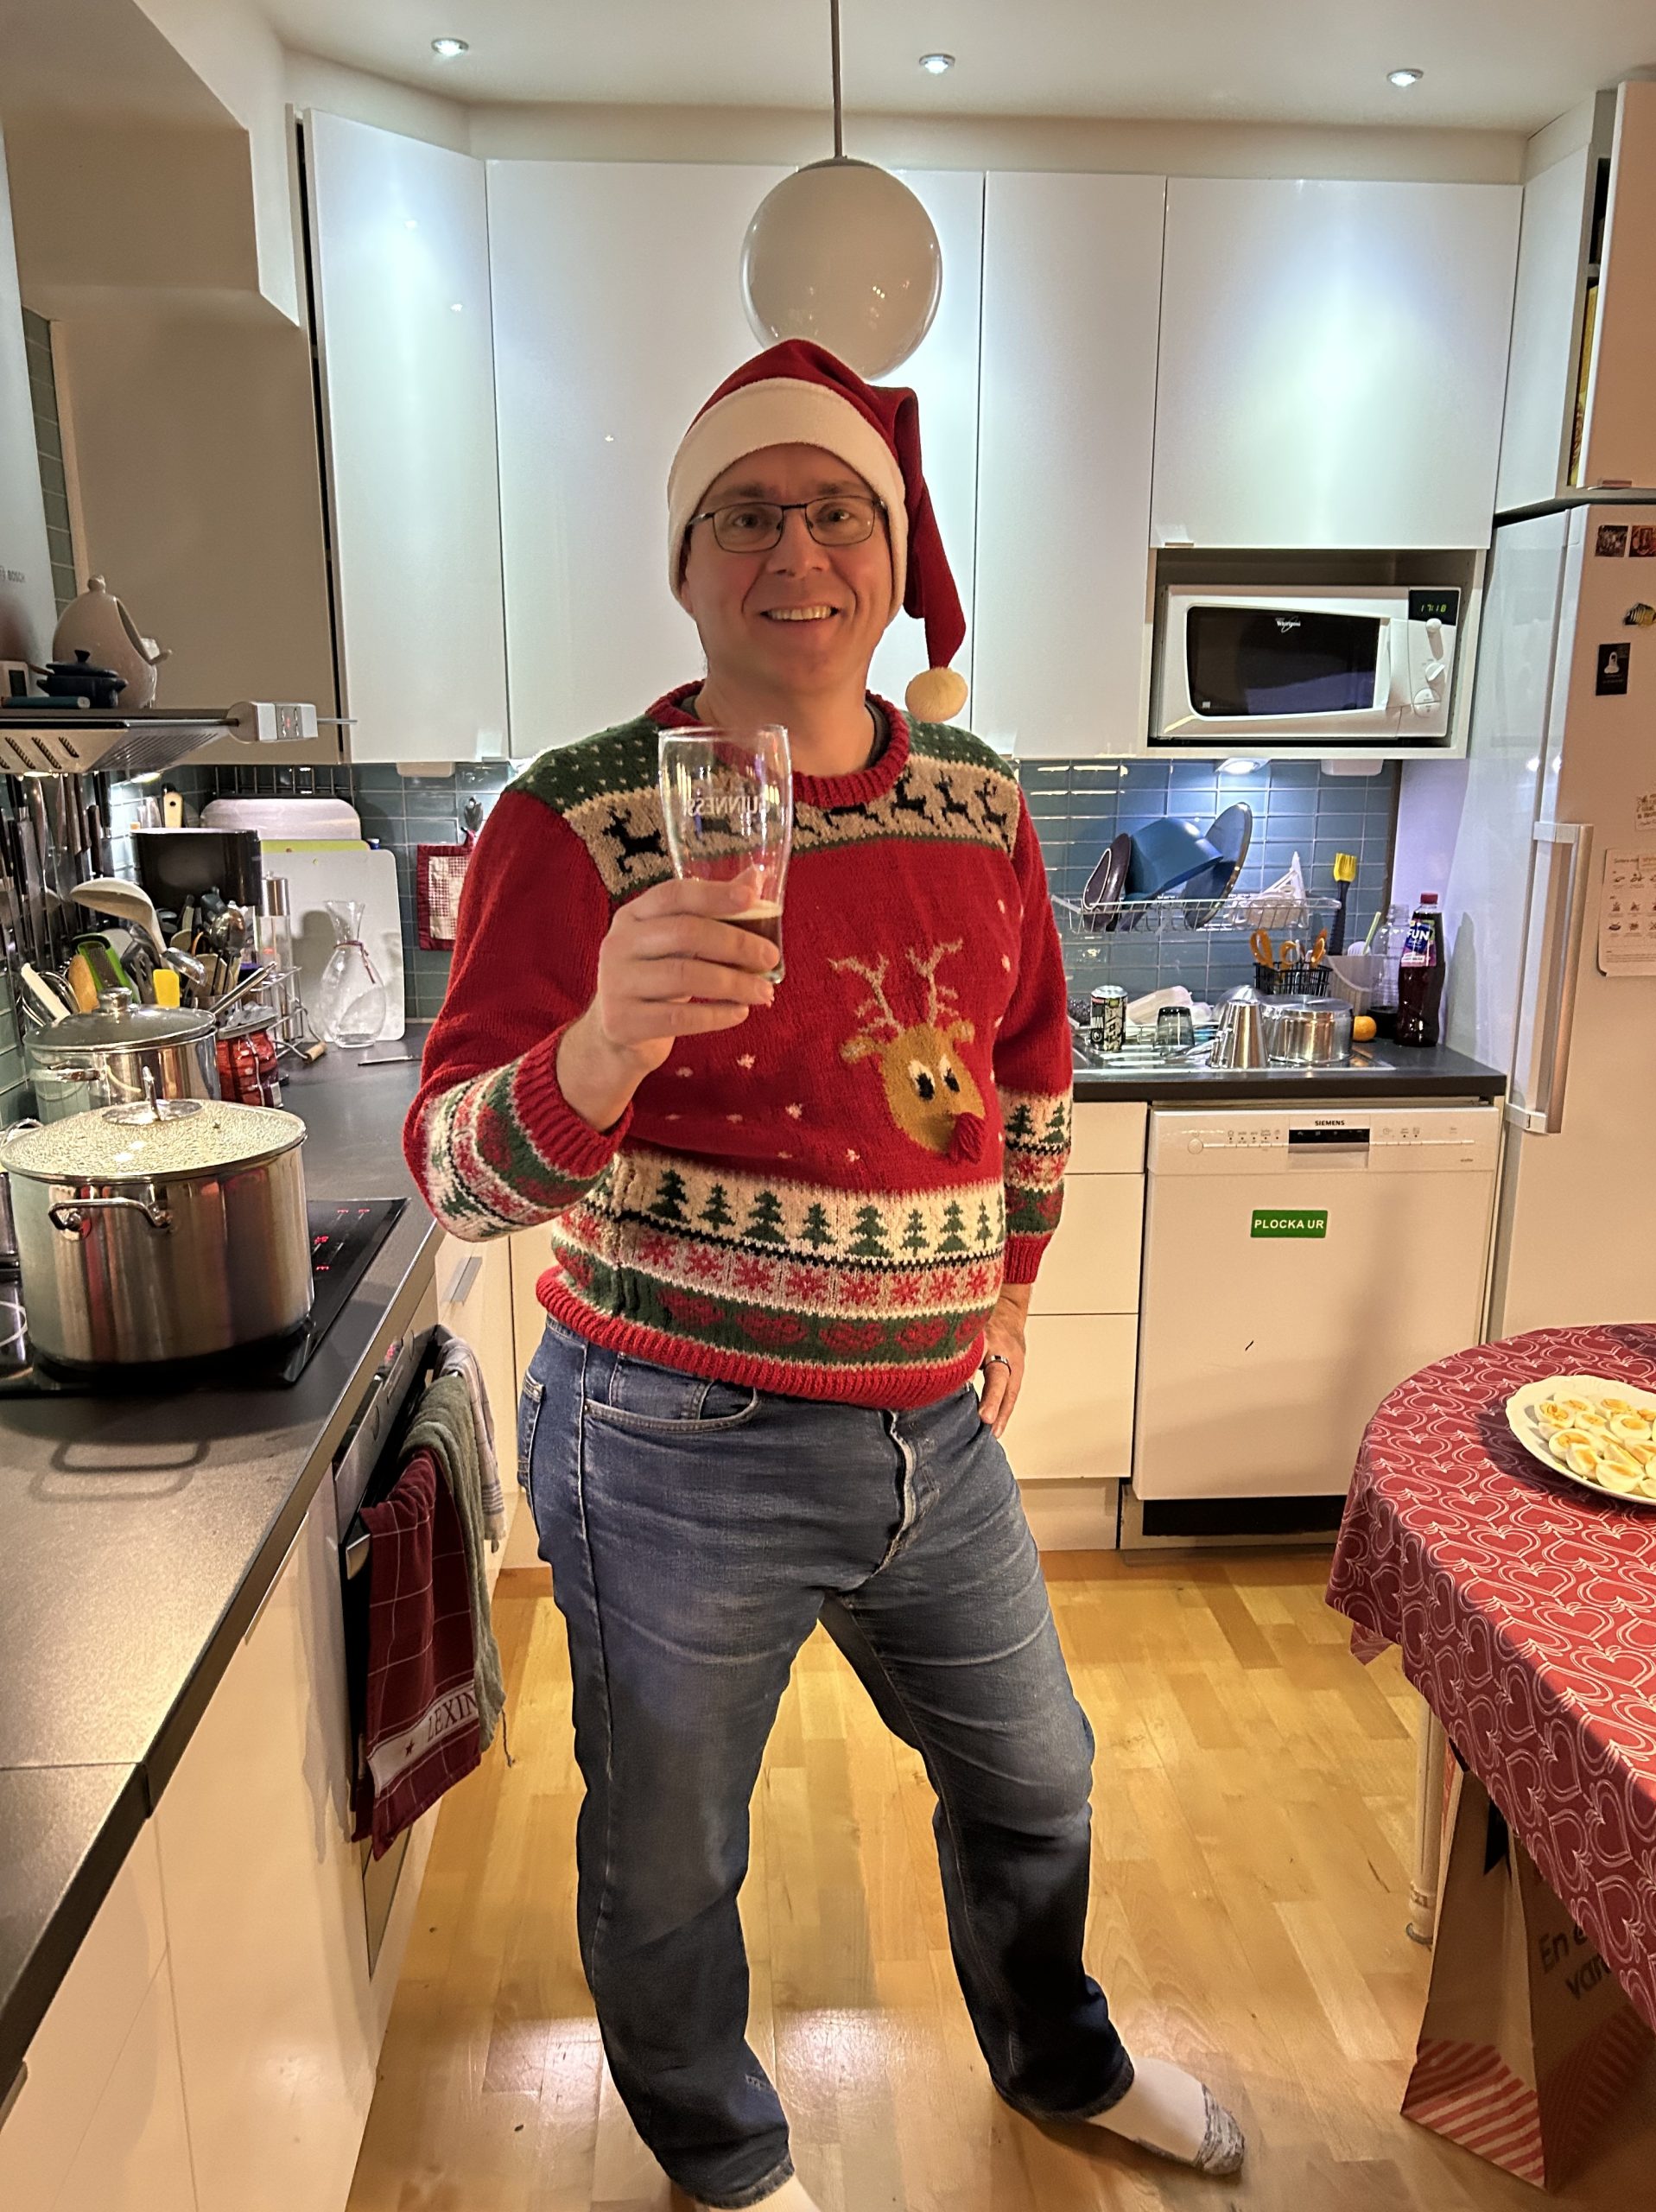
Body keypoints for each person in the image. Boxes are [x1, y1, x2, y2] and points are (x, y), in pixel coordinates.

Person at [405, 340, 1245, 2211]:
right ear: (685, 563)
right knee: (668, 1858)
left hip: (933, 1433)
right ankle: (723, 2157)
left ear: (892, 550)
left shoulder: (986, 804)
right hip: (667, 1439)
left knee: (1036, 1775)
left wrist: (1010, 1287)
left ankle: (1061, 2058)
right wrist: (597, 1048)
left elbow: (1030, 1068)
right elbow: (455, 1172)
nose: (798, 553)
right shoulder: (572, 816)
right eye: (746, 515)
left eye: (838, 511)